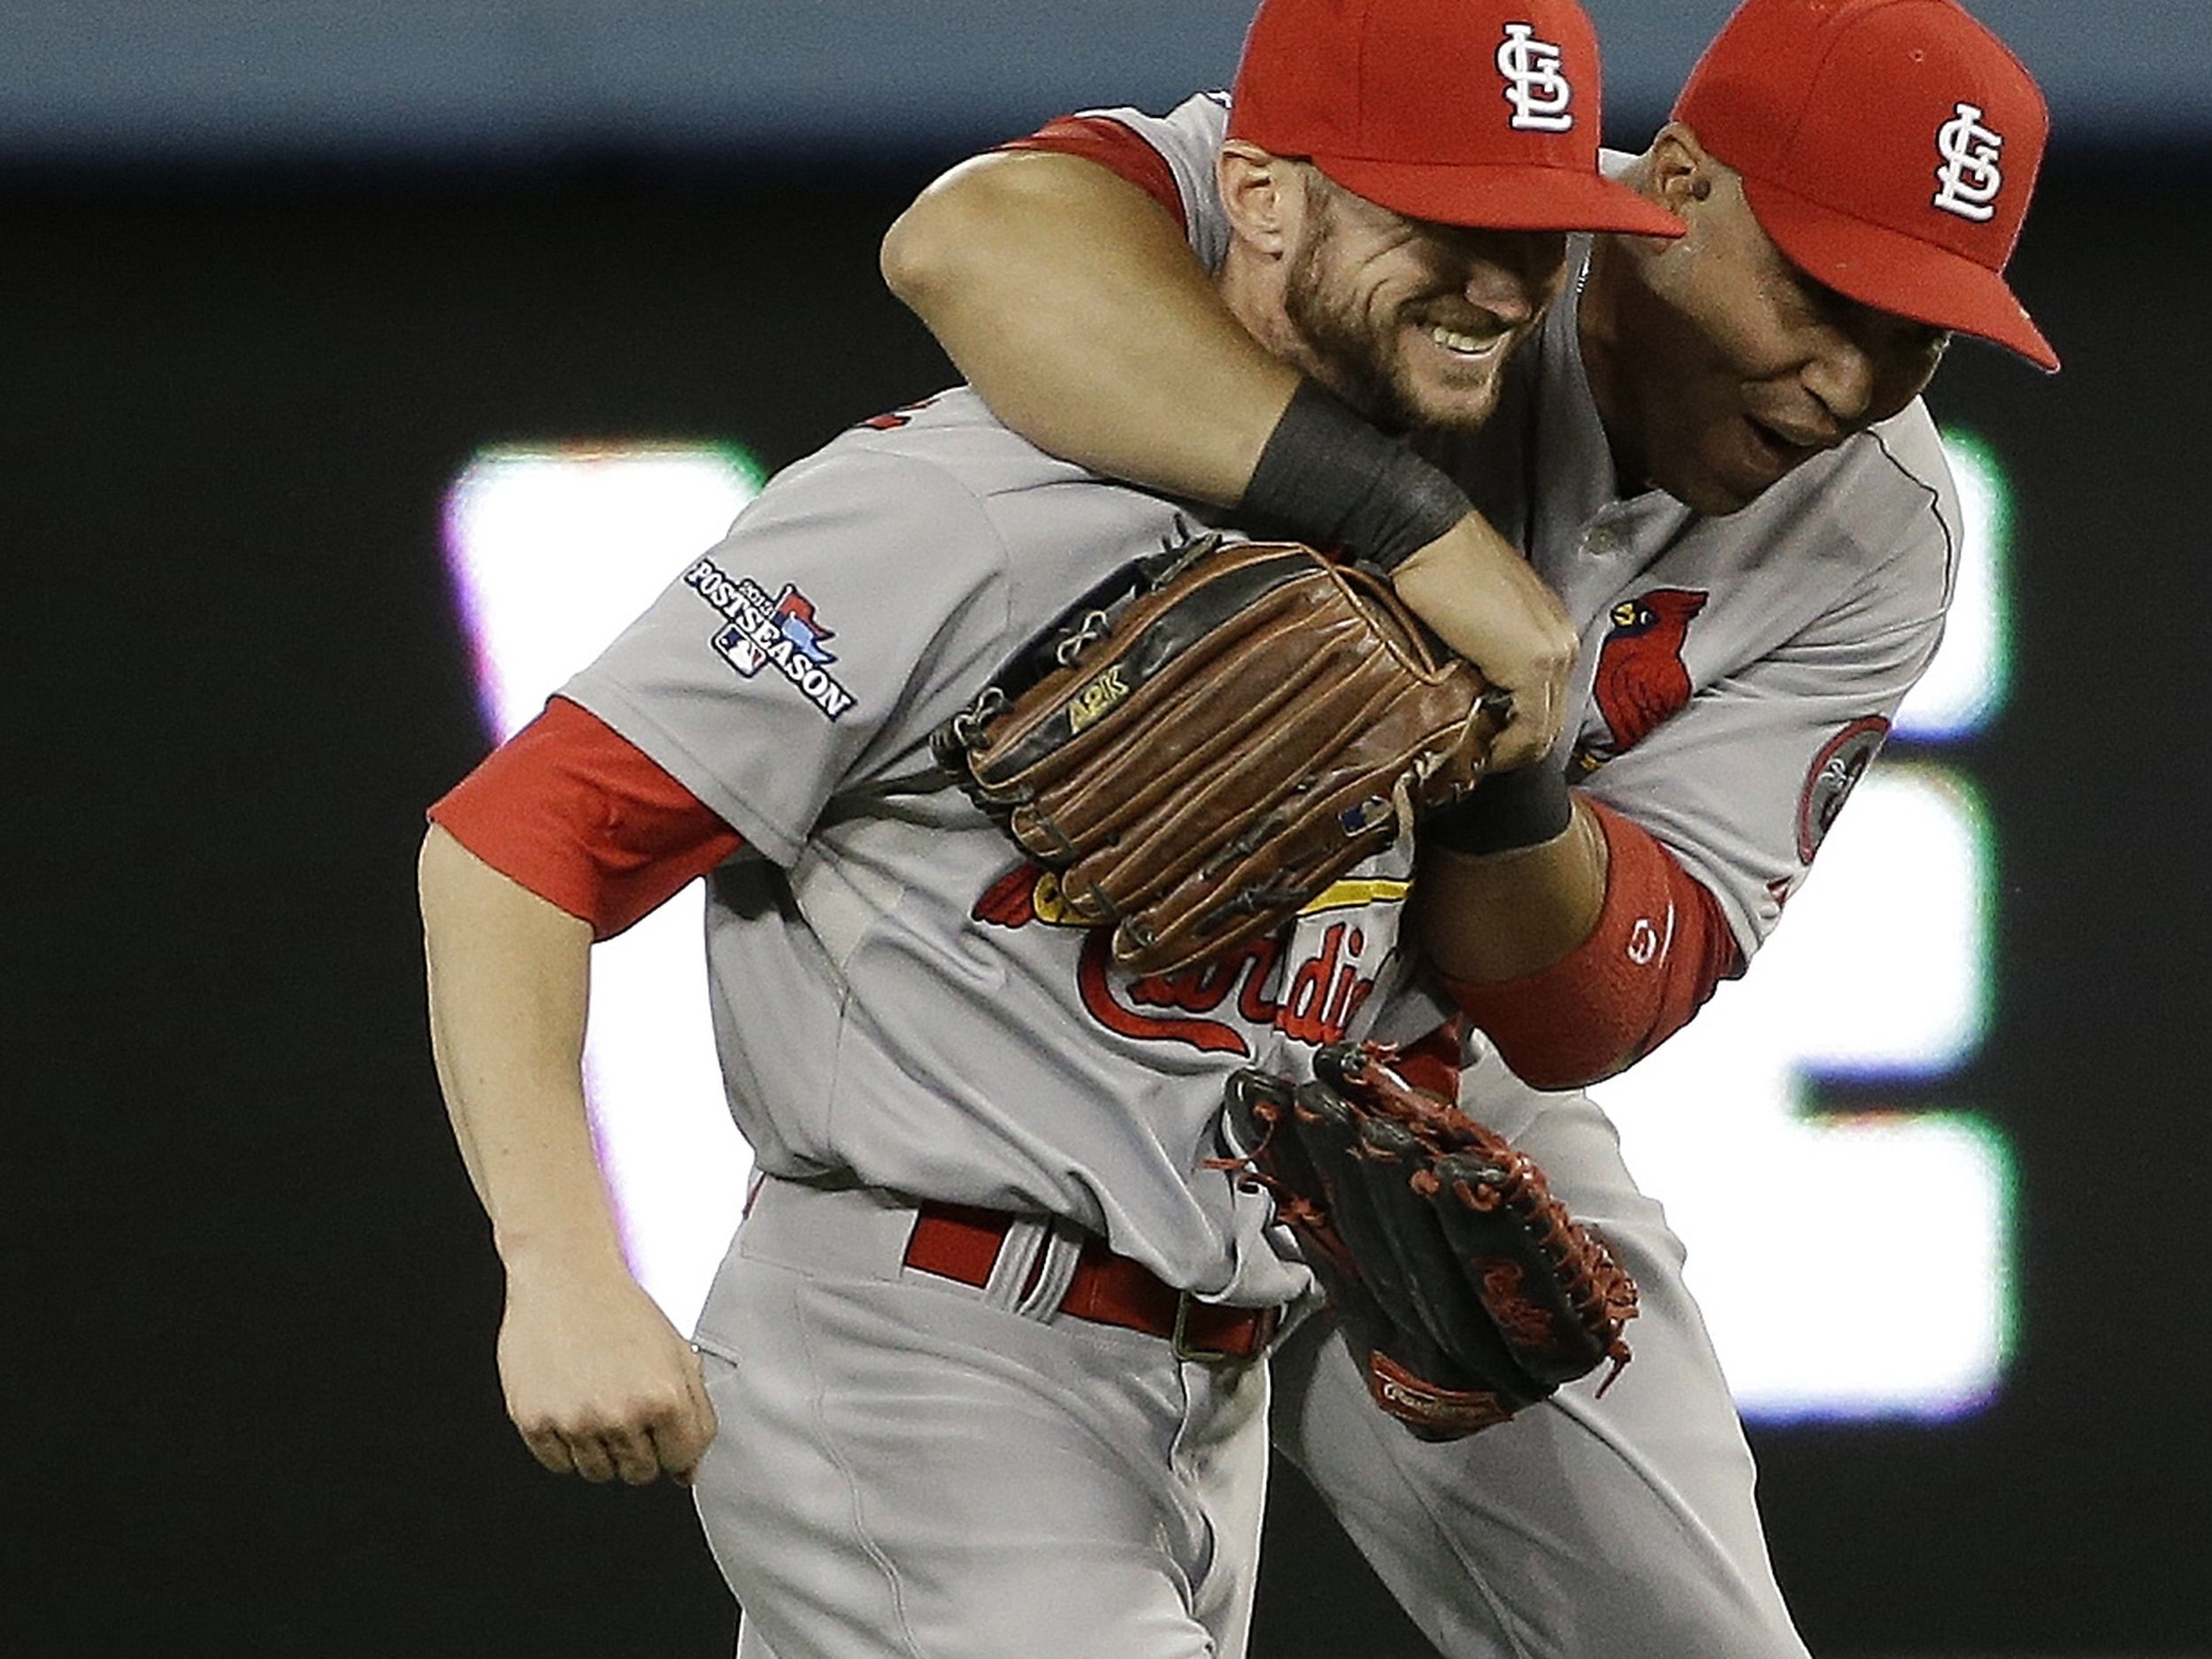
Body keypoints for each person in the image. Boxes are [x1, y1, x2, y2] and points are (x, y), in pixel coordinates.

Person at [416, 1, 1680, 1655]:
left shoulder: (1450, 587)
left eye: (1538, 237)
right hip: (927, 1354)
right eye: (1441, 221)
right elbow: (512, 844)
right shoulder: (952, 505)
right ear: (1268, 195)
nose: (1505, 286)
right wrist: (563, 1269)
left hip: (1198, 1407)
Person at [876, 0, 2055, 1652]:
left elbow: (1593, 1007)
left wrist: (1510, 759)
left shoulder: (1878, 527)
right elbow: (968, 242)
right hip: (1058, 1012)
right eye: (1823, 293)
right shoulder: (1441, 201)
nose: (1849, 378)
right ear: (1683, 181)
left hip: (1406, 1075)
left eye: (1916, 331)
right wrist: (1420, 538)